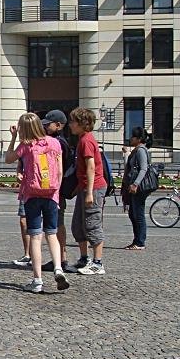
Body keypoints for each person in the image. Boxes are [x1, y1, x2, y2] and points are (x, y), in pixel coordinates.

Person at [6, 114, 69, 293]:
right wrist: (56, 192)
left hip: (32, 195)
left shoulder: (26, 145)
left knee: (35, 236)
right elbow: (60, 171)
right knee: (52, 234)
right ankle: (58, 268)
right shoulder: (54, 143)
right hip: (51, 194)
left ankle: (37, 280)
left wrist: (13, 138)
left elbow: (8, 158)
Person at [67, 108, 107, 275]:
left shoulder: (86, 141)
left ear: (82, 123)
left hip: (94, 188)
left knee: (92, 224)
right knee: (78, 225)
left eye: (72, 121)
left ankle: (98, 263)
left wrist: (89, 192)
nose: (70, 124)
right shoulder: (82, 139)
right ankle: (84, 258)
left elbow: (91, 167)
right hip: (85, 188)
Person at [41, 110, 74, 271]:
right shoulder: (59, 141)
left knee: (57, 223)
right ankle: (60, 257)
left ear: (59, 125)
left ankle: (61, 258)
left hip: (56, 188)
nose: (46, 127)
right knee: (54, 223)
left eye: (49, 124)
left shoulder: (58, 143)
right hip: (55, 187)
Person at [121, 127, 152, 250]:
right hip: (133, 186)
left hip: (138, 188)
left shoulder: (141, 151)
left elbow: (143, 168)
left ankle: (140, 242)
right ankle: (136, 240)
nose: (130, 138)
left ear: (139, 139)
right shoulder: (136, 150)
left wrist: (135, 184)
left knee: (138, 214)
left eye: (133, 137)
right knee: (133, 214)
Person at [9, 157, 31, 268]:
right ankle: (27, 254)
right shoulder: (24, 151)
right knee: (23, 221)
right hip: (25, 190)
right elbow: (19, 165)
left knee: (37, 223)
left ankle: (34, 255)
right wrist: (19, 174)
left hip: (41, 189)